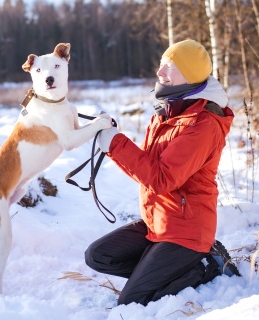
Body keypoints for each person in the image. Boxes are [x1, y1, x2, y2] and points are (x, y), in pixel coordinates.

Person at [84, 39, 240, 306]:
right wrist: (111, 144)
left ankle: (205, 267)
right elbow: (147, 167)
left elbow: (163, 178)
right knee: (97, 255)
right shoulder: (166, 113)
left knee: (132, 303)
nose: (160, 72)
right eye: (161, 64)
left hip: (187, 232)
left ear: (189, 75)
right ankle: (160, 271)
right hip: (158, 223)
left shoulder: (204, 124)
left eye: (170, 66)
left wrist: (116, 143)